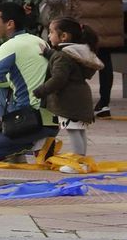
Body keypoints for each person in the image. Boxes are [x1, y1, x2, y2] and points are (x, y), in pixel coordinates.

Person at [0, 3, 57, 161]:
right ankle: (24, 144)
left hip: (28, 122)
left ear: (10, 24)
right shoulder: (38, 41)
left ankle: (27, 142)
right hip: (49, 119)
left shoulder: (10, 46)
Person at [35, 17, 104, 158]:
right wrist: (49, 53)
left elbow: (59, 78)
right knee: (79, 130)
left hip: (69, 101)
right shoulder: (76, 53)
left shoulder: (63, 56)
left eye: (51, 32)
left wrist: (40, 90)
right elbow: (65, 60)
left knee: (73, 131)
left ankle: (78, 161)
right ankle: (81, 159)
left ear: (64, 36)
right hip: (80, 97)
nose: (48, 36)